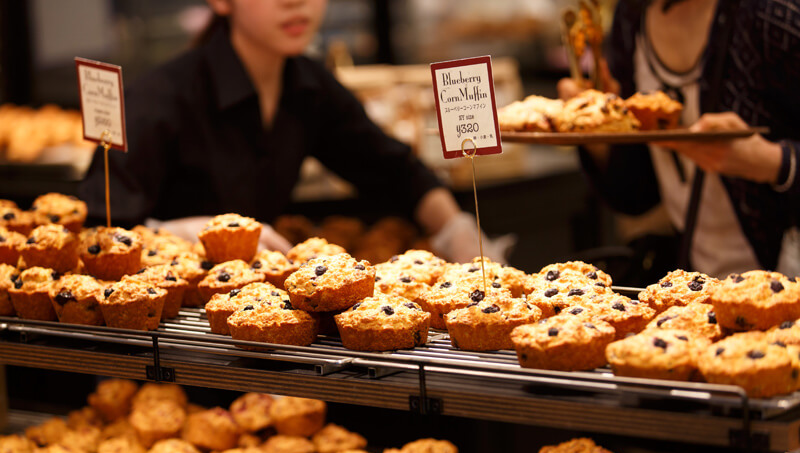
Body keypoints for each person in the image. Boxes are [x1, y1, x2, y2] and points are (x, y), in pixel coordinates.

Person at [79, 0, 510, 263]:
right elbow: (98, 230)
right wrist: (193, 232)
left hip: (260, 324)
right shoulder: (159, 97)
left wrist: (456, 227)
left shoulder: (308, 84)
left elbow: (395, 170)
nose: (296, 1)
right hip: (164, 336)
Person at [558, 0, 800, 278]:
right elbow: (635, 195)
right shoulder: (633, 15)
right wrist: (598, 130)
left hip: (786, 286)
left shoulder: (775, 14)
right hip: (702, 290)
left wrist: (771, 162)